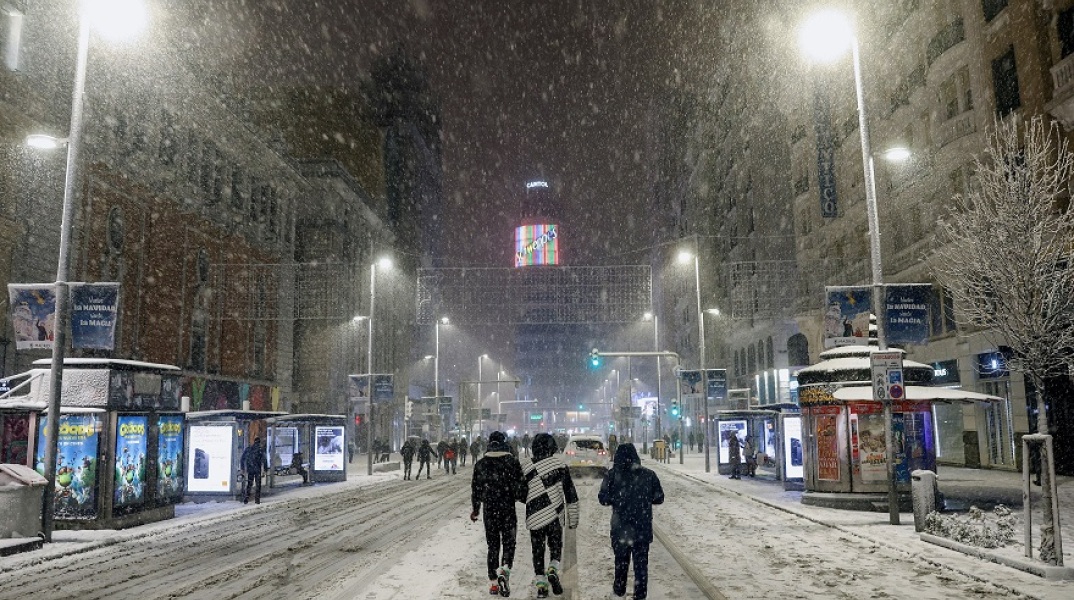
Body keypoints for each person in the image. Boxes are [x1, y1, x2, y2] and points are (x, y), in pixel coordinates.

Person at [598, 443, 664, 600]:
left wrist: (617, 499)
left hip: (620, 528)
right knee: (641, 566)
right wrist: (644, 499)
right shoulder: (649, 475)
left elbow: (603, 498)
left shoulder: (612, 475)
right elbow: (659, 497)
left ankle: (619, 593)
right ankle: (640, 595)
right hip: (642, 528)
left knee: (621, 563)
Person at [522, 432, 579, 598]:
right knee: (555, 546)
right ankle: (553, 567)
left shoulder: (526, 467)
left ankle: (541, 585)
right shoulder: (560, 466)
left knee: (537, 550)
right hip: (555, 515)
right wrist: (573, 520)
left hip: (535, 516)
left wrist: (531, 496)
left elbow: (519, 492)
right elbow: (571, 495)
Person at [470, 431, 524, 597]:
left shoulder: (481, 464)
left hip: (489, 510)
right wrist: (518, 497)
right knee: (509, 543)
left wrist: (476, 509)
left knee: (493, 546)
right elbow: (520, 487)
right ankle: (505, 570)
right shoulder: (512, 462)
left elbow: (476, 489)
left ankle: (493, 583)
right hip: (507, 508)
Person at [240, 436, 269, 504]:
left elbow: (242, 458)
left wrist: (242, 468)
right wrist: (265, 469)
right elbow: (264, 460)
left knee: (249, 484)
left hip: (250, 469)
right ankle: (257, 499)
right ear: (259, 442)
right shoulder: (260, 450)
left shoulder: (249, 449)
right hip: (257, 470)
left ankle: (246, 497)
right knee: (258, 484)